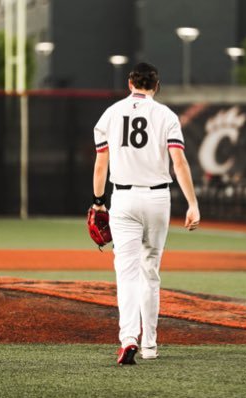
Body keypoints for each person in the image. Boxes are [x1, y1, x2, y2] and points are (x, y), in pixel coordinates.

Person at [92, 62, 200, 365]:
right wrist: (192, 203)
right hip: (157, 199)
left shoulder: (111, 114)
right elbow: (179, 163)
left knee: (125, 274)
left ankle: (128, 338)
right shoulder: (166, 115)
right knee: (149, 272)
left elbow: (101, 164)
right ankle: (150, 345)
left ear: (130, 83)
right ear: (157, 85)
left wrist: (99, 200)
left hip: (123, 198)